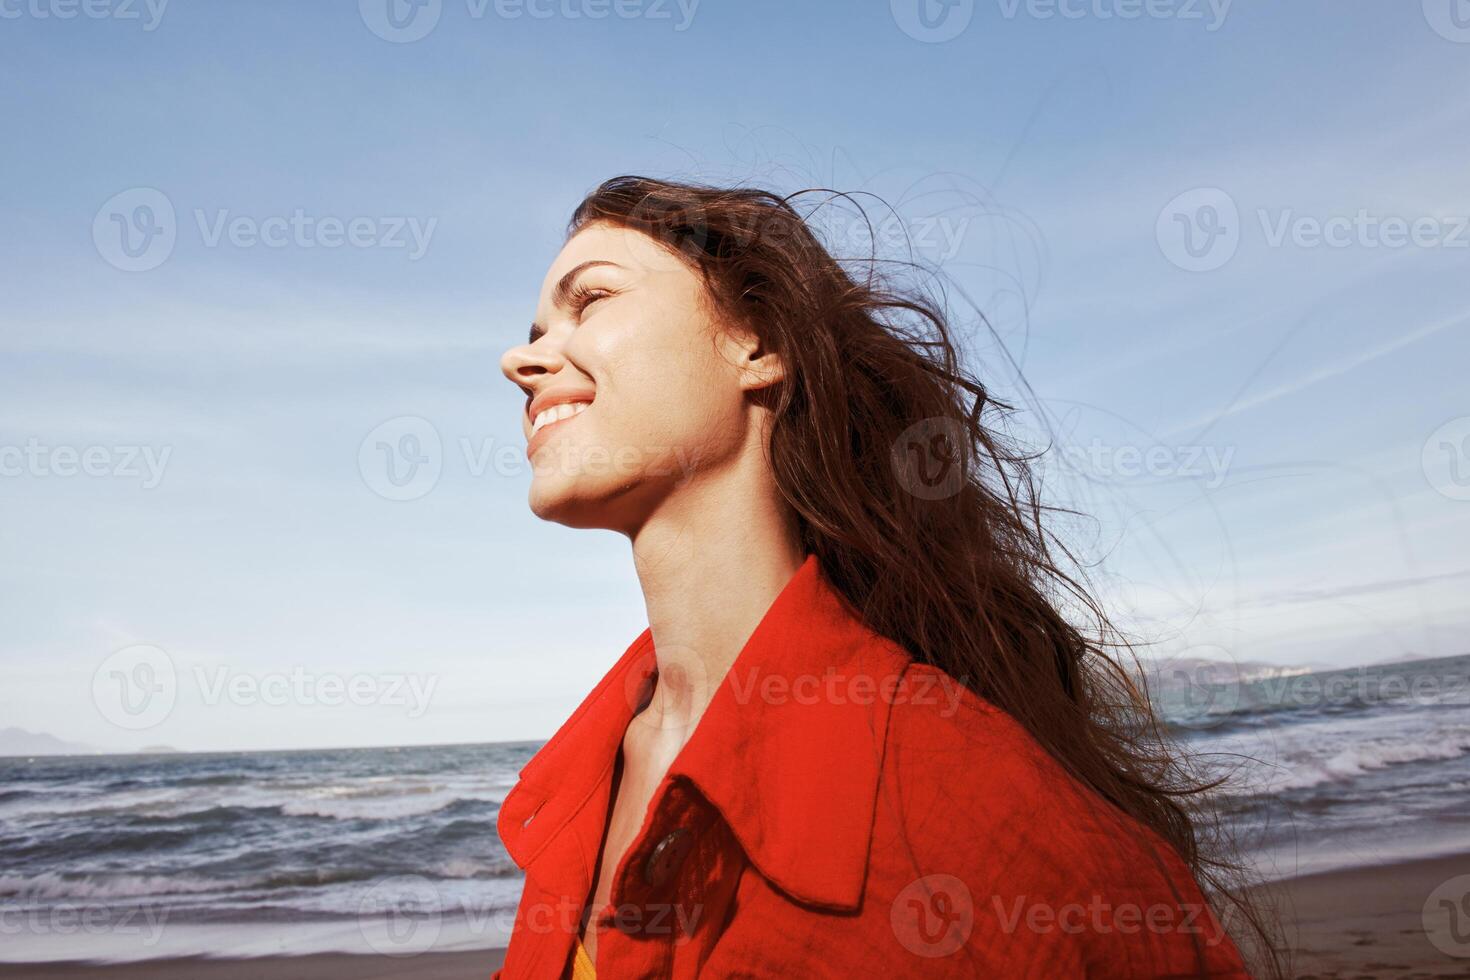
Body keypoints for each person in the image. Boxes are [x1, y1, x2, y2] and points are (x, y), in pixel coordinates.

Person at [492, 176, 1271, 978]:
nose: (520, 360)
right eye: (536, 329)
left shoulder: (986, 816)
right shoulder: (570, 799)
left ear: (755, 346)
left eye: (591, 301)